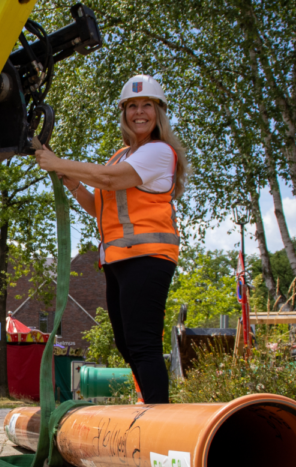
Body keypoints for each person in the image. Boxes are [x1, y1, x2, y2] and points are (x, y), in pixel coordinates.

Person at [32, 75, 190, 404]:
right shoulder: (121, 155)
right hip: (119, 261)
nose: (139, 112)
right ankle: (150, 404)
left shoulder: (159, 152)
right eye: (132, 106)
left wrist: (59, 162)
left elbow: (107, 179)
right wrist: (72, 181)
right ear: (124, 113)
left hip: (148, 258)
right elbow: (98, 205)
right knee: (126, 343)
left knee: (143, 343)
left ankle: (159, 416)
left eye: (147, 105)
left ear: (159, 112)